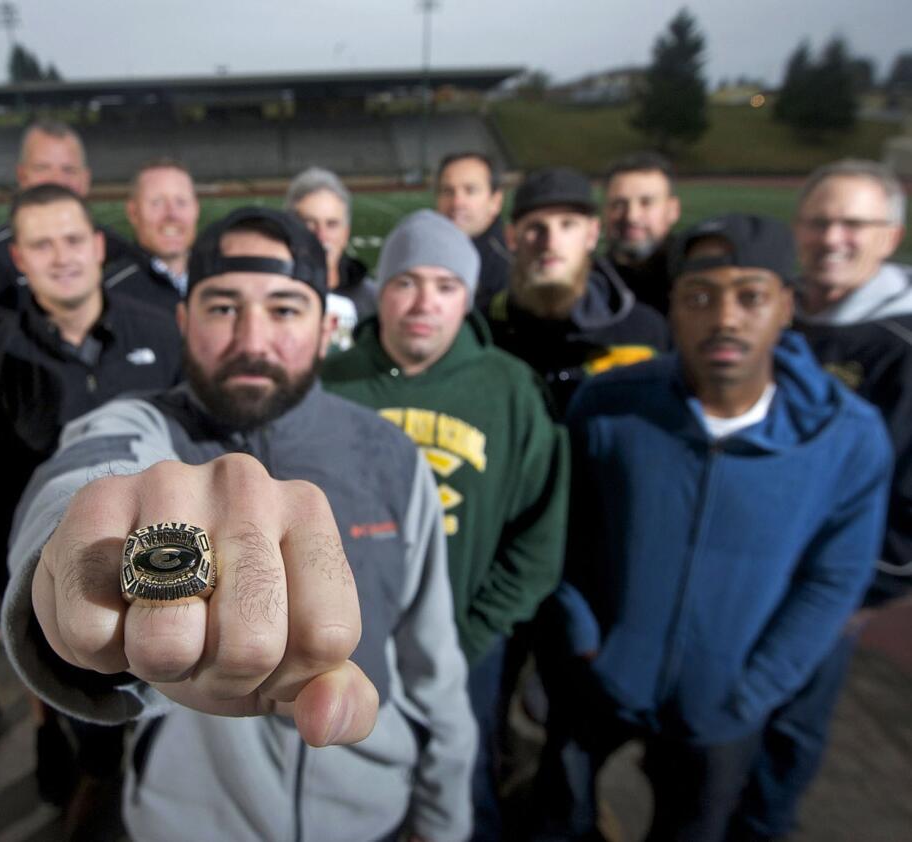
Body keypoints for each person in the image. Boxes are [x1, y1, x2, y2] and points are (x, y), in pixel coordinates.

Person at [1, 207, 476, 841]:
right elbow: (84, 479)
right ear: (182, 318)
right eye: (223, 307)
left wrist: (445, 820)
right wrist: (73, 548)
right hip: (187, 820)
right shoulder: (138, 425)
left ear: (324, 324)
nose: (253, 339)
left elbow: (433, 662)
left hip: (373, 810)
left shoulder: (390, 453)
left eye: (284, 309)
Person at [530, 214, 892, 842]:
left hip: (724, 710)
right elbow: (564, 536)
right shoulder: (608, 404)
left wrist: (754, 691)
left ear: (787, 305)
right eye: (700, 298)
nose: (725, 318)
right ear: (672, 308)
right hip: (600, 678)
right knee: (560, 818)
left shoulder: (847, 438)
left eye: (750, 296)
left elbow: (834, 578)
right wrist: (585, 640)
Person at [0, 182, 182, 816]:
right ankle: (96, 783)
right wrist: (24, 587)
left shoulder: (165, 335)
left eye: (73, 239)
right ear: (19, 259)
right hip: (63, 596)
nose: (61, 255)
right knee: (91, 721)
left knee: (176, 723)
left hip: (174, 576)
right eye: (41, 244)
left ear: (99, 246)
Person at [323, 208, 568, 841]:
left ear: (468, 297)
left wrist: (471, 631)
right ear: (383, 291)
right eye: (406, 282)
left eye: (445, 285)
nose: (423, 302)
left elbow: (538, 540)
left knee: (460, 791)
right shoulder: (331, 386)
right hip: (346, 649)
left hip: (462, 645)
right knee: (346, 794)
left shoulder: (510, 391)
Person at [732, 160, 912, 840]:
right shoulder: (780, 315)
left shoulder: (901, 345)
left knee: (786, 734)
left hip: (824, 595)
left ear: (890, 236)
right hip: (746, 574)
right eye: (819, 220)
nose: (833, 237)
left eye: (854, 223)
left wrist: (859, 598)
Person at [487, 166, 669, 417]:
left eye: (567, 225)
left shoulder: (645, 331)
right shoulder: (483, 331)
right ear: (511, 237)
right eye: (536, 228)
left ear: (592, 234)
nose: (550, 243)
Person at [0, 121, 128, 310]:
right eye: (42, 168)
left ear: (85, 180)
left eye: (68, 170)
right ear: (22, 176)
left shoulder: (119, 252)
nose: (56, 180)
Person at [285, 166, 378, 350]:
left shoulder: (373, 299)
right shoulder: (271, 294)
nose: (321, 236)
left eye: (332, 224)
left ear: (346, 233)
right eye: (309, 224)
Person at [102, 158, 200, 315]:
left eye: (181, 202)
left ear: (196, 209)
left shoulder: (222, 279)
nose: (172, 214)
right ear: (133, 213)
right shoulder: (110, 293)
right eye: (157, 203)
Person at [601, 151, 682, 314]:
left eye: (646, 203)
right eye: (619, 204)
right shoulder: (590, 281)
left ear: (673, 210)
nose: (632, 216)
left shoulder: (692, 276)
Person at [436, 152, 512, 312]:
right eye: (447, 191)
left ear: (495, 201)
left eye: (470, 190)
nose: (457, 202)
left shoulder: (509, 266)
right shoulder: (428, 251)